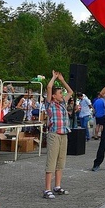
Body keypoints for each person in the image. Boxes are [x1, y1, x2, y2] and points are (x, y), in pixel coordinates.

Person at [43, 70, 73, 198]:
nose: (62, 95)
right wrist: (54, 78)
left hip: (63, 134)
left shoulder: (63, 104)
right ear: (54, 96)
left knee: (61, 161)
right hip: (54, 134)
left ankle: (57, 186)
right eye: (60, 93)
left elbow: (71, 92)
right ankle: (47, 189)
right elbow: (49, 87)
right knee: (51, 161)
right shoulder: (50, 104)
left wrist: (62, 80)